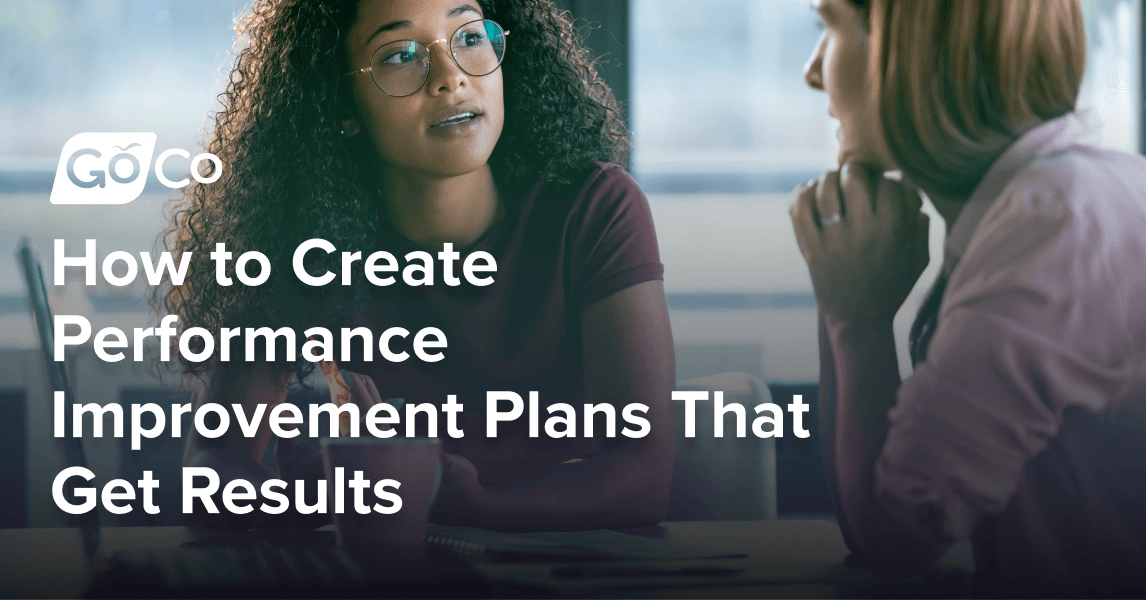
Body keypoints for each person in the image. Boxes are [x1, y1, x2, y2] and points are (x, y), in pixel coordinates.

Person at [162, 0, 675, 532]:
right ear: (339, 103)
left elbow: (643, 479)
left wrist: (471, 505)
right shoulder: (302, 238)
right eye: (401, 54)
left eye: (470, 37)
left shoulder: (594, 206)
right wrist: (317, 501)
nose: (451, 77)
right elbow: (210, 467)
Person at [793, 0, 1146, 595]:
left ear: (908, 52)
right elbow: (871, 524)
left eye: (828, 28)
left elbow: (893, 538)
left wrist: (856, 319)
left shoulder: (1046, 230)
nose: (813, 69)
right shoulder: (1067, 198)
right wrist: (845, 302)